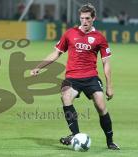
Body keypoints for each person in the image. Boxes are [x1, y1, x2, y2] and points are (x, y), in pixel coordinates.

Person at [31, 3, 120, 150]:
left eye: (87, 18)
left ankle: (110, 141)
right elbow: (56, 53)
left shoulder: (100, 38)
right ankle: (76, 135)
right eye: (82, 18)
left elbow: (106, 63)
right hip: (72, 77)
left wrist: (109, 86)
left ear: (94, 18)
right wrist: (38, 67)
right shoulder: (70, 33)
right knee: (65, 97)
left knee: (101, 105)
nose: (84, 21)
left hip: (91, 77)